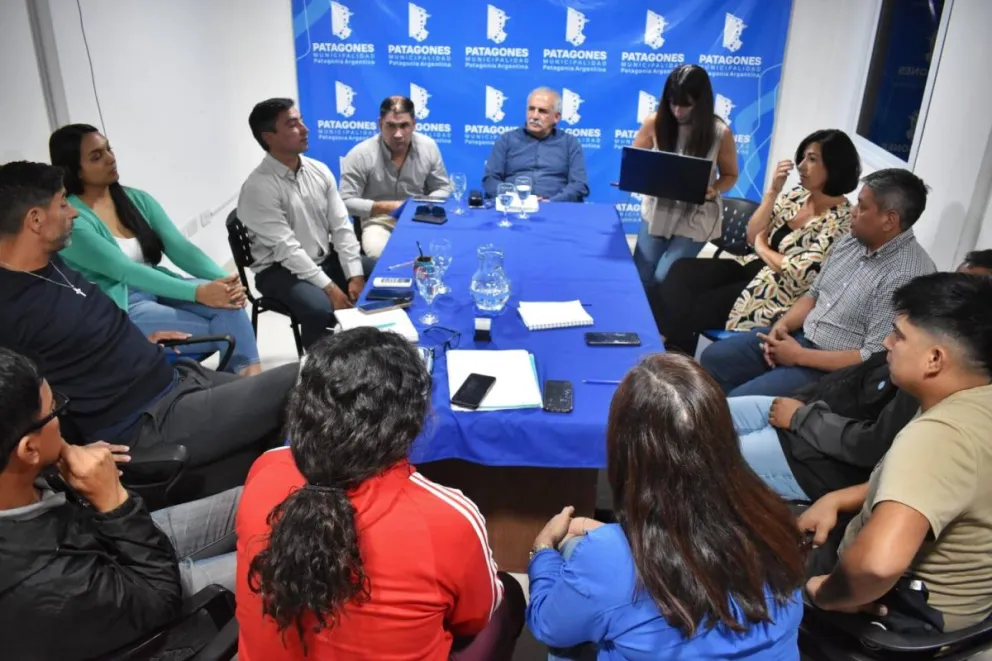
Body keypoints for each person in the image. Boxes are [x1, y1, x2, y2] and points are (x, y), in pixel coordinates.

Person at [236, 328, 524, 660]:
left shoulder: (265, 469)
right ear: (414, 421)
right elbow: (473, 620)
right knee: (509, 595)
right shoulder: (450, 518)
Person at [0, 161, 297, 467]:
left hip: (173, 378)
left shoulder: (48, 265)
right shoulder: (11, 307)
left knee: (289, 419)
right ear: (35, 220)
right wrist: (66, 452)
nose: (73, 212)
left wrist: (136, 337)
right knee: (303, 381)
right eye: (62, 204)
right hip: (146, 420)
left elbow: (79, 329)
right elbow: (15, 407)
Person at [527, 352, 804, 660]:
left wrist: (543, 551)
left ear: (627, 453)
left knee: (564, 644)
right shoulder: (774, 520)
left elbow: (548, 626)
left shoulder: (608, 560)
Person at [0, 346, 241, 661]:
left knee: (254, 499)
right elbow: (162, 599)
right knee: (301, 564)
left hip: (107, 543)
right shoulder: (47, 585)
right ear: (28, 449)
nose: (61, 416)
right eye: (53, 410)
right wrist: (112, 500)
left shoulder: (20, 478)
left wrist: (58, 456)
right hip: (144, 590)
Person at [801, 273, 992, 633]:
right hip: (962, 610)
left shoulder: (939, 436)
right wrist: (839, 498)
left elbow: (876, 565)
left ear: (934, 359)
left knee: (736, 557)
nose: (887, 343)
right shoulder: (972, 402)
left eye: (900, 335)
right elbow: (935, 488)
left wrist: (823, 595)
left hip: (900, 616)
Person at [700, 168, 936, 397]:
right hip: (800, 338)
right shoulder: (851, 242)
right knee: (714, 359)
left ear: (889, 220)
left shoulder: (905, 275)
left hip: (834, 371)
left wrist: (798, 356)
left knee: (741, 399)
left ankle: (730, 424)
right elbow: (812, 295)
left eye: (862, 207)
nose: (852, 211)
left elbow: (872, 357)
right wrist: (781, 327)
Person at [50, 123, 261, 376]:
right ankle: (246, 387)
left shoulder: (136, 199)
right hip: (122, 306)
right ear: (75, 169)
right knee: (225, 332)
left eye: (109, 149)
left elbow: (180, 249)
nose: (110, 159)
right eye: (96, 156)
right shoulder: (74, 218)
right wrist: (198, 292)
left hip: (157, 288)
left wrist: (226, 281)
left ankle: (247, 387)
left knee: (231, 308)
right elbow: (125, 271)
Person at [652, 129, 860, 353]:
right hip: (752, 268)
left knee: (701, 305)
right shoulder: (797, 195)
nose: (801, 166)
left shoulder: (841, 220)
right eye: (802, 158)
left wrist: (762, 247)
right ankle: (663, 341)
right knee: (683, 270)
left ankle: (668, 350)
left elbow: (801, 273)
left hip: (779, 293)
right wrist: (773, 191)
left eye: (812, 159)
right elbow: (752, 235)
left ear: (834, 166)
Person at [237, 98, 369, 350]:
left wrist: (355, 274)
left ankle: (371, 351)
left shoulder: (319, 170)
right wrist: (331, 289)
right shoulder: (258, 188)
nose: (305, 129)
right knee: (319, 309)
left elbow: (341, 227)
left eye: (301, 121)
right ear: (269, 137)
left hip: (322, 257)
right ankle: (315, 376)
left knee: (383, 274)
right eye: (293, 124)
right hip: (279, 271)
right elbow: (288, 251)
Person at [729, 351, 919, 503]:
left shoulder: (916, 393)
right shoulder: (889, 358)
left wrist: (800, 417)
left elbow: (869, 447)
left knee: (708, 457)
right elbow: (841, 380)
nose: (888, 340)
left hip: (811, 459)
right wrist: (801, 401)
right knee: (707, 410)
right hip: (803, 414)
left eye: (900, 336)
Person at [632, 65, 739, 287]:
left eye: (686, 105)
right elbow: (635, 162)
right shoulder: (655, 122)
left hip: (696, 216)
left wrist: (714, 189)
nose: (677, 111)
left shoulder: (720, 132)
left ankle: (661, 321)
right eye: (672, 103)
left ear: (701, 103)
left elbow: (730, 174)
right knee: (641, 276)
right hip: (659, 209)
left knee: (665, 278)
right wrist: (641, 178)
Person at [339, 95, 452, 258]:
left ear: (414, 124)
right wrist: (386, 206)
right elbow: (344, 202)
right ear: (380, 124)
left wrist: (423, 204)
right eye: (391, 126)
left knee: (437, 254)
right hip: (378, 221)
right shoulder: (360, 154)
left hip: (420, 217)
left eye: (404, 125)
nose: (398, 134)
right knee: (381, 256)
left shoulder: (428, 147)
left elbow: (442, 187)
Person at [481, 87, 589, 203]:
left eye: (542, 111)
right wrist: (514, 198)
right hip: (513, 206)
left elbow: (579, 184)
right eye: (531, 109)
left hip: (556, 208)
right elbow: (490, 179)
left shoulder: (570, 143)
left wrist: (553, 202)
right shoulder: (506, 140)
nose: (534, 116)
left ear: (556, 117)